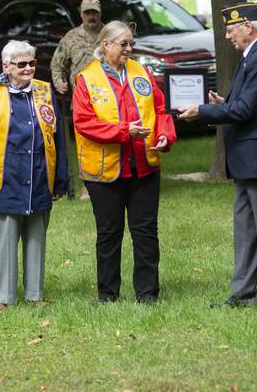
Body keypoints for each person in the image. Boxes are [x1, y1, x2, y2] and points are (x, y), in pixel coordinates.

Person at [177, 2, 257, 310]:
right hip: (250, 159)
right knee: (246, 231)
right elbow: (246, 103)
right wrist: (222, 103)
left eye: (232, 30)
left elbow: (245, 109)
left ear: (249, 26)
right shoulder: (253, 56)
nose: (229, 36)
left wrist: (204, 111)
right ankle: (242, 295)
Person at [73, 20, 175, 304]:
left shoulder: (140, 72)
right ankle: (107, 294)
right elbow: (83, 122)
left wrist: (165, 135)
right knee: (109, 233)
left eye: (132, 43)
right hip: (105, 170)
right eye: (124, 44)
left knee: (145, 231)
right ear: (105, 45)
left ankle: (148, 293)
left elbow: (160, 108)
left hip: (143, 165)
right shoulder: (87, 79)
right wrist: (123, 132)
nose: (130, 49)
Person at [0, 41, 69, 311]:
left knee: (36, 239)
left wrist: (60, 179)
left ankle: (35, 295)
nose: (27, 68)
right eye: (21, 64)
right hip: (5, 177)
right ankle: (4, 298)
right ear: (6, 66)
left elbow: (58, 138)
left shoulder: (45, 91)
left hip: (38, 176)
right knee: (5, 241)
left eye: (31, 63)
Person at [50, 0, 103, 201]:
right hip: (82, 101)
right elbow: (57, 63)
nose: (91, 16)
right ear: (81, 14)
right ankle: (88, 186)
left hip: (109, 99)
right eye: (87, 12)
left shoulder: (110, 34)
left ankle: (109, 179)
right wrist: (59, 81)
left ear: (100, 13)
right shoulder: (71, 37)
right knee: (85, 144)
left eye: (94, 12)